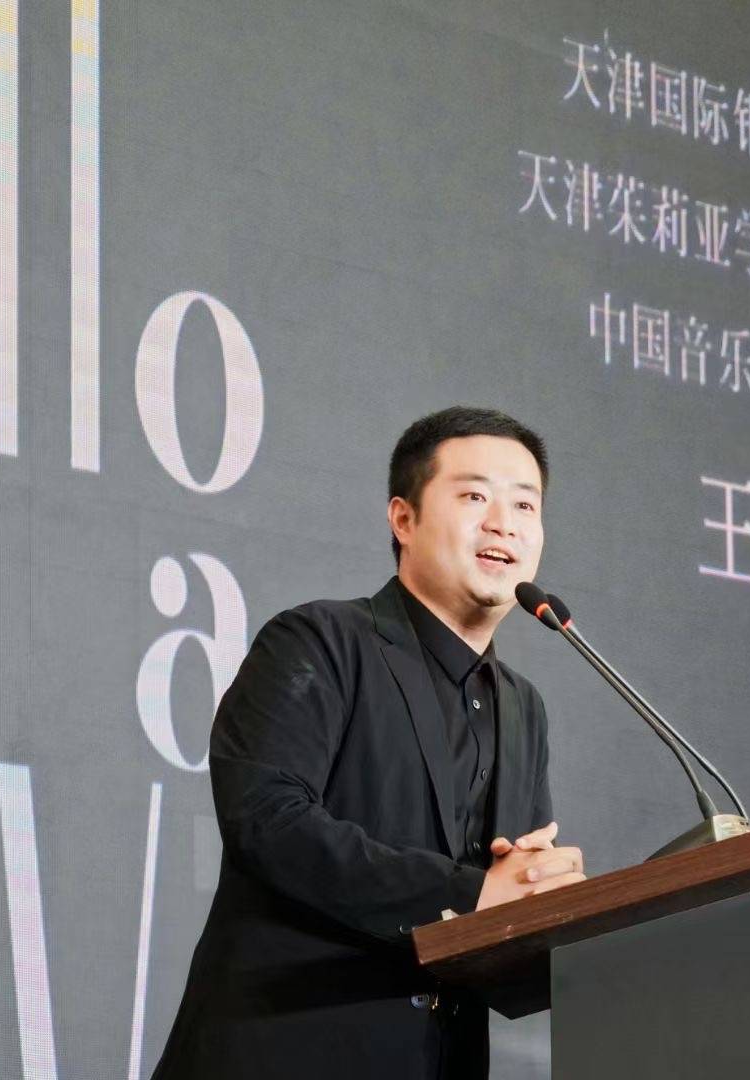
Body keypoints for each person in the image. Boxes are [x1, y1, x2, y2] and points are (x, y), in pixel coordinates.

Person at [151, 406, 587, 1079]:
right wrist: (472, 893)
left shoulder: (522, 707)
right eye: (475, 496)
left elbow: (501, 915)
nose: (504, 523)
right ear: (403, 519)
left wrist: (544, 904)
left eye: (525, 505)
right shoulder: (318, 642)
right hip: (287, 1054)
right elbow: (267, 822)